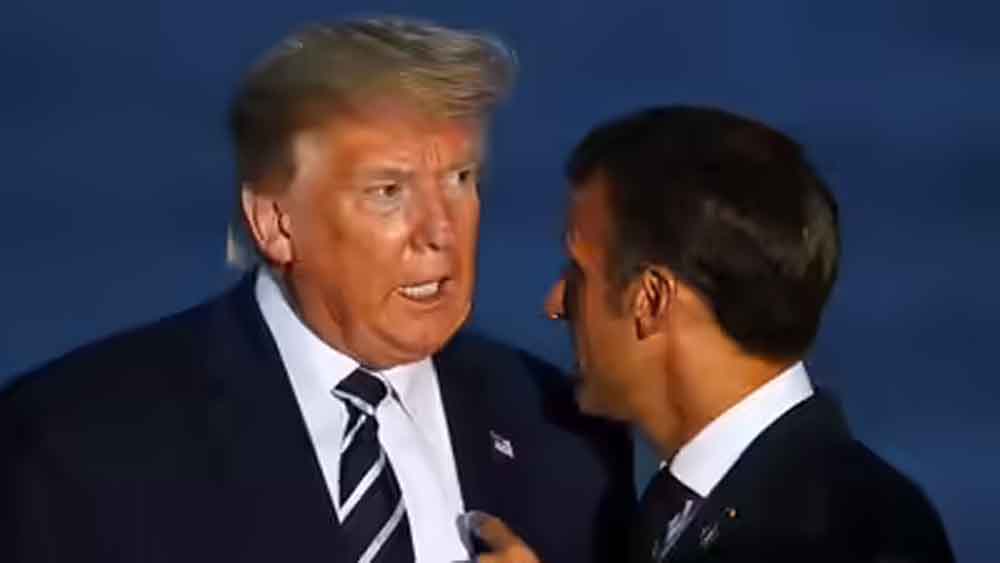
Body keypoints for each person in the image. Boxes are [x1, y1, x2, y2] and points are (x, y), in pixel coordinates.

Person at [0, 18, 635, 563]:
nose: (440, 232)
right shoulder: (76, 445)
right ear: (275, 223)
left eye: (460, 179)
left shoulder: (566, 434)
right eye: (388, 191)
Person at [475, 105, 954, 562]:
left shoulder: (844, 537)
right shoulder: (701, 513)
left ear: (651, 300)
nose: (555, 303)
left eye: (578, 274)